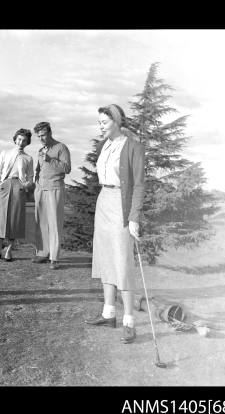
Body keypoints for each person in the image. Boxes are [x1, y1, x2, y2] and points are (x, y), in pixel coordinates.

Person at [84, 104, 145, 344]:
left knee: (122, 262)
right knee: (105, 257)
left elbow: (139, 185)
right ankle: (109, 314)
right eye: (99, 122)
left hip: (122, 204)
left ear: (117, 121)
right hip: (104, 201)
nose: (100, 126)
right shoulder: (104, 145)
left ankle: (129, 321)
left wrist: (133, 217)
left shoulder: (133, 146)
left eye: (104, 122)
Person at [0, 129, 34, 262]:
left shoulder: (28, 158)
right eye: (19, 139)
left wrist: (24, 186)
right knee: (2, 218)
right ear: (15, 139)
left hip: (19, 186)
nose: (21, 142)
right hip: (4, 185)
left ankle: (9, 250)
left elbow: (31, 178)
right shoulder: (5, 153)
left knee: (15, 218)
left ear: (27, 142)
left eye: (24, 140)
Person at [32, 122, 71, 270]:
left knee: (54, 223)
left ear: (50, 133)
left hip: (55, 187)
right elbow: (39, 168)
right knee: (40, 222)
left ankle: (54, 258)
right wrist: (35, 180)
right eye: (39, 136)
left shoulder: (61, 147)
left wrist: (50, 159)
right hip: (40, 189)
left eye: (43, 135)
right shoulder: (40, 150)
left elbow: (67, 168)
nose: (41, 138)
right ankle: (42, 253)